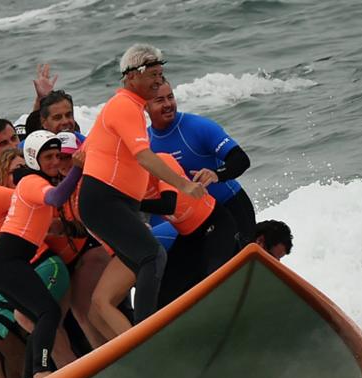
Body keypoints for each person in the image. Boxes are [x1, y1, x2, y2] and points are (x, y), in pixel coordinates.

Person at [76, 44, 209, 336]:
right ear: (133, 76)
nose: (160, 81)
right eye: (154, 75)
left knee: (135, 268)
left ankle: (130, 340)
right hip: (104, 201)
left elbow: (89, 150)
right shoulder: (125, 105)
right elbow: (144, 156)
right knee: (153, 255)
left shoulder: (126, 107)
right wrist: (184, 185)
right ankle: (146, 334)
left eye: (162, 75)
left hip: (113, 203)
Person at [0, 131, 75, 378]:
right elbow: (56, 197)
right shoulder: (33, 182)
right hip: (6, 261)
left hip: (3, 262)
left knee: (39, 318)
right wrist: (78, 168)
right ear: (34, 159)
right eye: (48, 157)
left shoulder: (34, 180)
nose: (56, 161)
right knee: (48, 313)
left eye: (58, 155)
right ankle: (41, 372)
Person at [147, 81, 256, 246]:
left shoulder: (197, 127)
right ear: (145, 106)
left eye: (170, 97)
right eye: (160, 100)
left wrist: (216, 174)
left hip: (230, 208)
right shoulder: (144, 142)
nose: (168, 104)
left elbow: (241, 159)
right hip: (187, 223)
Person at [140, 154, 239, 309]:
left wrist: (129, 203)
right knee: (163, 293)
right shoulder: (130, 181)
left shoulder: (161, 161)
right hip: (189, 237)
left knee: (212, 279)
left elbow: (168, 205)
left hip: (215, 224)